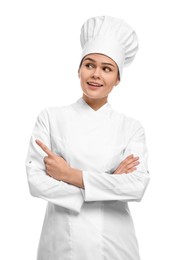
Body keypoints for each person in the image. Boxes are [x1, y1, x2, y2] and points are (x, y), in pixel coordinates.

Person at [26, 15, 150, 260]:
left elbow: (137, 186)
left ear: (117, 79)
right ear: (79, 69)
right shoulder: (50, 118)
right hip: (61, 241)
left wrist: (70, 176)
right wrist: (108, 184)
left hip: (114, 243)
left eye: (106, 69)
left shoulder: (131, 127)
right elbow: (35, 181)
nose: (95, 74)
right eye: (89, 65)